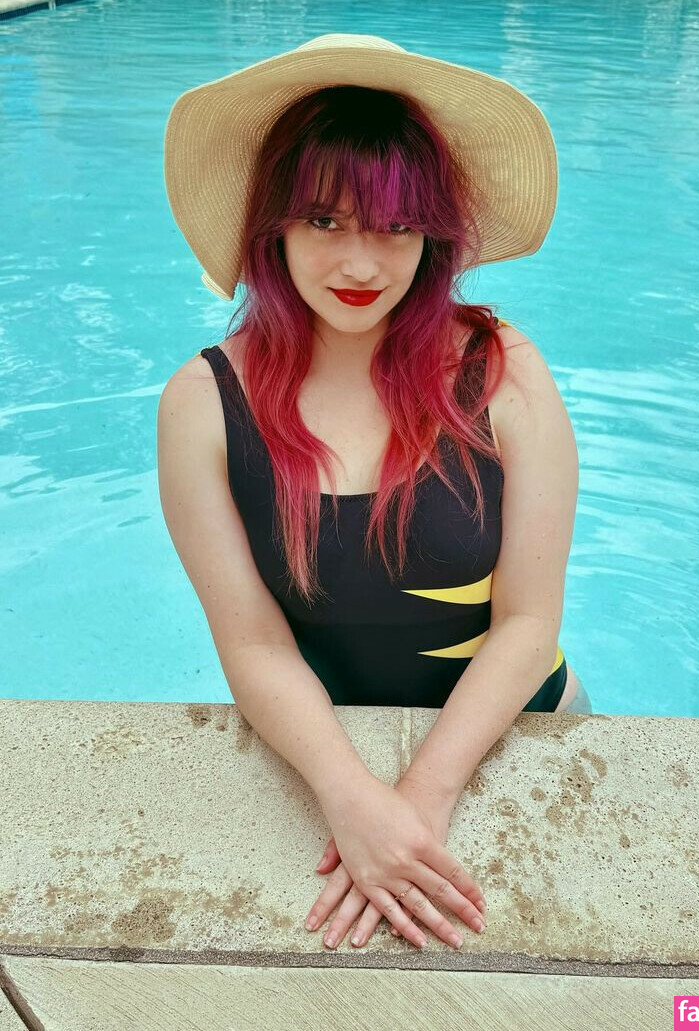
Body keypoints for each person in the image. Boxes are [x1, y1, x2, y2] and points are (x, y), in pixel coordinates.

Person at [157, 33, 591, 958]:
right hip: (323, 753)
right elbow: (252, 640)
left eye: (396, 225)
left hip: (517, 729)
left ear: (433, 233)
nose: (361, 263)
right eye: (324, 220)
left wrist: (419, 801)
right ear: (272, 224)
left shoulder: (502, 368)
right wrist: (352, 798)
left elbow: (527, 623)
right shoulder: (204, 403)